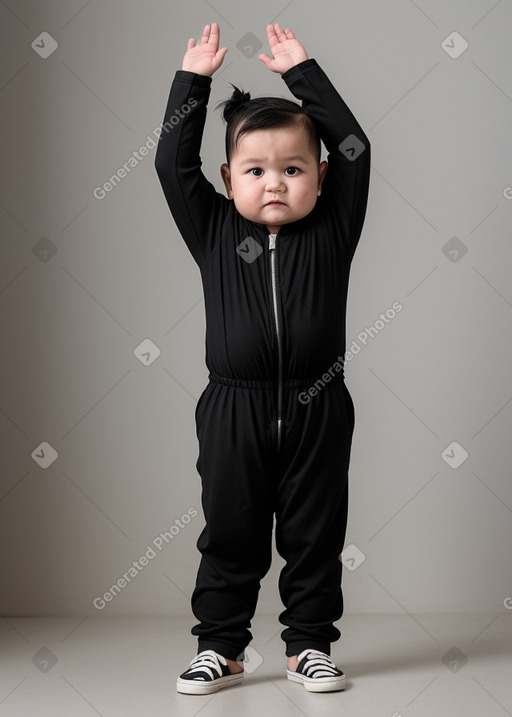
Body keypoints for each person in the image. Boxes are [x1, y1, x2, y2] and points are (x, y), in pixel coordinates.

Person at [154, 21, 371, 695]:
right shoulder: (215, 229)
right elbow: (170, 164)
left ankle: (309, 644)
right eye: (255, 170)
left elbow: (358, 148)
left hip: (318, 404)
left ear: (319, 176)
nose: (273, 183)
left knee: (316, 530)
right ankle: (221, 645)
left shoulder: (333, 229)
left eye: (292, 169)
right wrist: (193, 83)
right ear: (228, 178)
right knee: (230, 526)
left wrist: (303, 75)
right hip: (233, 406)